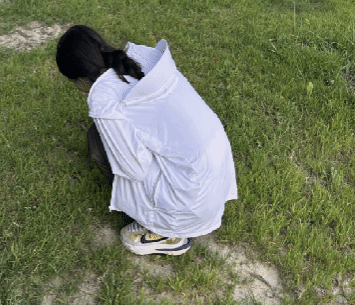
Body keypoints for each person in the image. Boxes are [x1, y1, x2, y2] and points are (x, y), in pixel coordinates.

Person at [56, 25, 237, 256]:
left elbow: (134, 170)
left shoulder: (104, 98)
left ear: (77, 78)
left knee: (97, 142)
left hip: (189, 202)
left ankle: (165, 232)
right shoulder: (142, 57)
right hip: (215, 176)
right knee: (102, 134)